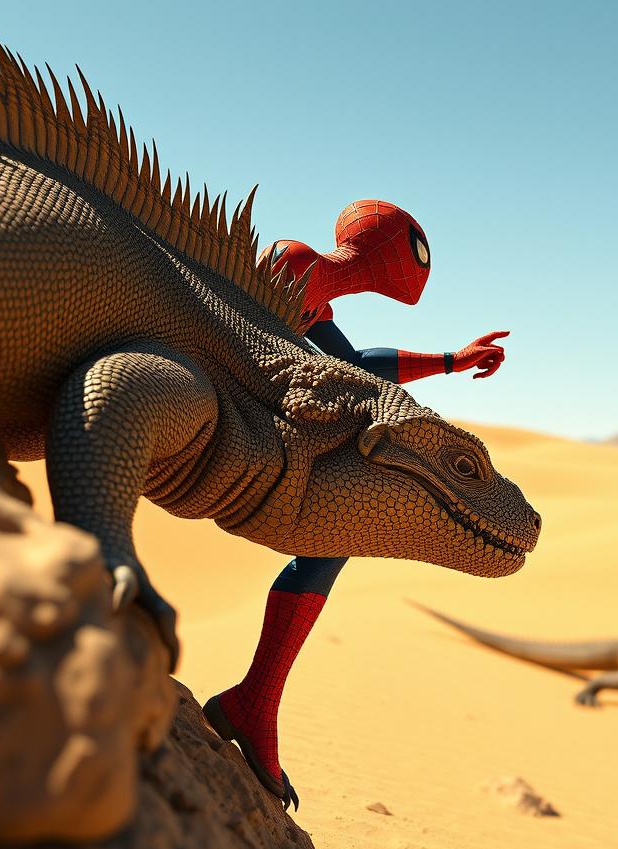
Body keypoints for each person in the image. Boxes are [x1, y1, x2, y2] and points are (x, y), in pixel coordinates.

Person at [203, 199, 507, 809]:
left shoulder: (317, 288)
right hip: (218, 407)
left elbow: (356, 367)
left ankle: (254, 700)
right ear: (383, 246)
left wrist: (452, 361)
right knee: (335, 523)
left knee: (336, 534)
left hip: (249, 419)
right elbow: (359, 370)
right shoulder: (293, 264)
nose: (416, 269)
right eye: (413, 252)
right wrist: (450, 362)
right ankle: (253, 701)